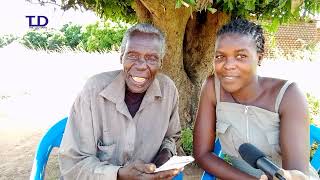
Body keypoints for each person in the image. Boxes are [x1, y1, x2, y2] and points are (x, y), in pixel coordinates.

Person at [193, 19, 319, 180]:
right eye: (220, 56)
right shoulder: (212, 87)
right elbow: (202, 154)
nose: (228, 65)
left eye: (241, 56)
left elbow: (295, 174)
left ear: (259, 57)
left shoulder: (289, 95)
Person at [58, 23, 182, 180]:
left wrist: (164, 157)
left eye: (151, 58)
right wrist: (119, 174)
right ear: (121, 57)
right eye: (132, 55)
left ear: (161, 63)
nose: (142, 66)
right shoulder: (93, 91)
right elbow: (72, 165)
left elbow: (171, 137)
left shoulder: (168, 90)